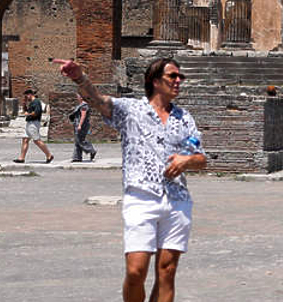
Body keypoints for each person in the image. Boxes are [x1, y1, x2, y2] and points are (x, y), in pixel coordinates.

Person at [54, 57, 207, 302]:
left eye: (181, 77)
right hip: (141, 197)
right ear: (154, 81)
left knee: (167, 271)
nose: (178, 81)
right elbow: (98, 100)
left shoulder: (184, 118)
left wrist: (187, 161)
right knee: (136, 270)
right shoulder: (131, 110)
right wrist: (79, 78)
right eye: (173, 76)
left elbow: (201, 158)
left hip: (177, 200)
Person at [14, 89, 54, 164]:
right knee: (25, 139)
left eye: (26, 96)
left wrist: (28, 114)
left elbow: (37, 112)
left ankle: (49, 155)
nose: (26, 98)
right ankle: (21, 158)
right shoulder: (31, 103)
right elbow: (26, 111)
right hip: (29, 123)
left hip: (33, 123)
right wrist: (24, 104)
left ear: (30, 94)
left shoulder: (36, 102)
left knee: (37, 140)